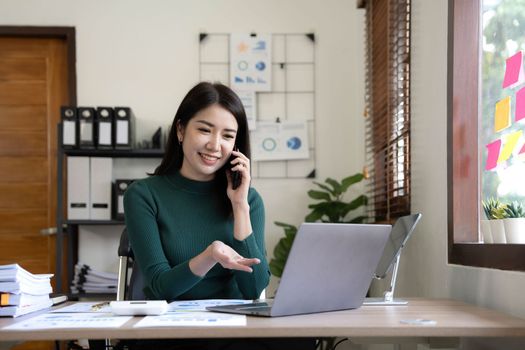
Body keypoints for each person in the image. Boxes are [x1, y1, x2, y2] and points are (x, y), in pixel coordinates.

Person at [124, 82, 270, 302]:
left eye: (227, 136)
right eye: (204, 130)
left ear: (236, 146)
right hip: (168, 330)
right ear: (180, 130)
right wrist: (210, 255)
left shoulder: (249, 200)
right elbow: (159, 288)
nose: (214, 145)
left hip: (234, 329)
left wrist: (240, 206)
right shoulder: (143, 195)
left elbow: (254, 289)